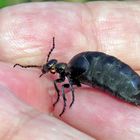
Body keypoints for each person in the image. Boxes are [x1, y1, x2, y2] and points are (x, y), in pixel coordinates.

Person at [0, 1, 140, 140]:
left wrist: (67, 97)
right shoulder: (73, 65)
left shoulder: (73, 67)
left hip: (119, 81)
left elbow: (68, 85)